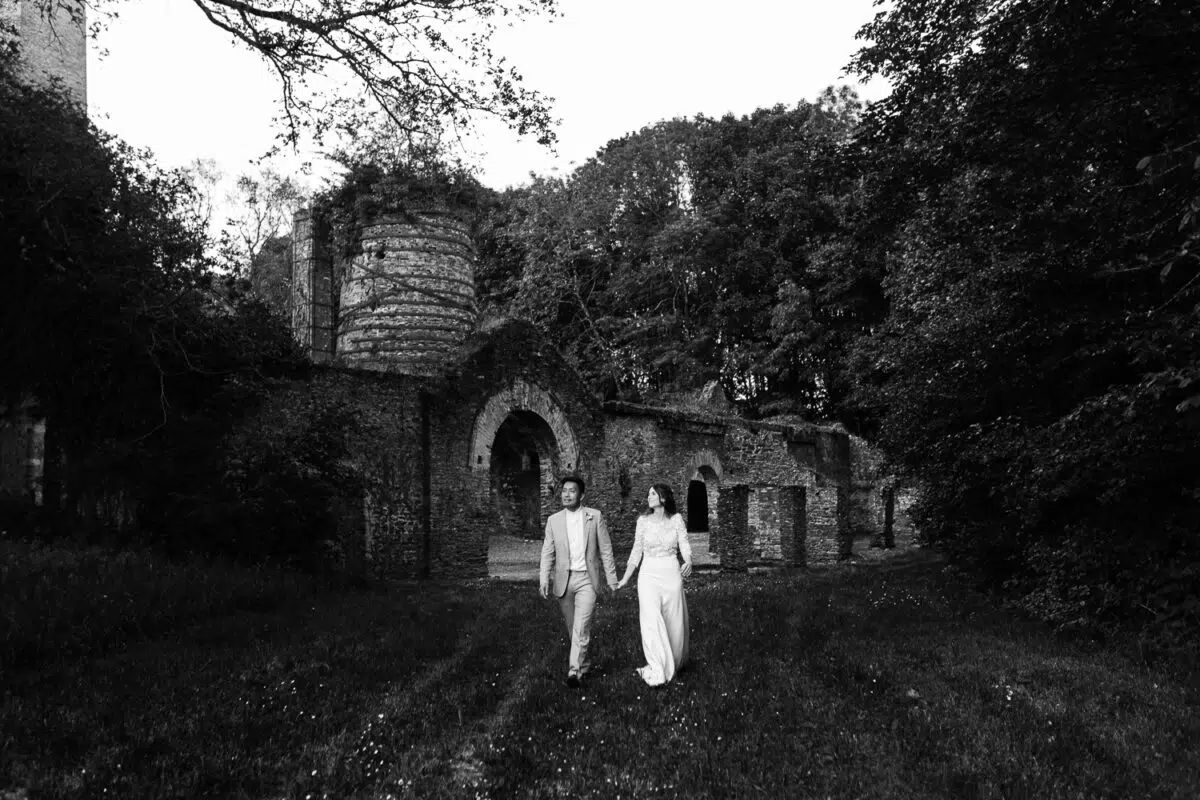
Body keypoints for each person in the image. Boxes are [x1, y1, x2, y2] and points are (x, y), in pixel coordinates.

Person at [539, 474, 619, 688]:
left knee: (581, 626)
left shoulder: (595, 517)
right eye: (564, 491)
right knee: (573, 627)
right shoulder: (553, 520)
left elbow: (606, 550)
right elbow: (547, 552)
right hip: (564, 580)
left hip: (587, 580)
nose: (566, 495)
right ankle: (584, 664)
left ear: (581, 495)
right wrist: (544, 578)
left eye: (572, 491)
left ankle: (574, 671)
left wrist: (612, 578)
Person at [616, 482, 692, 687]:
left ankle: (673, 661)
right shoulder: (642, 522)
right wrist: (625, 578)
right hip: (648, 574)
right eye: (648, 494)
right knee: (651, 619)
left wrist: (688, 561)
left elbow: (684, 543)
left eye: (652, 494)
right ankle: (658, 667)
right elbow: (636, 551)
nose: (648, 497)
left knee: (672, 619)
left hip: (671, 572)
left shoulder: (676, 520)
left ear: (663, 498)